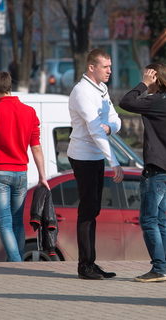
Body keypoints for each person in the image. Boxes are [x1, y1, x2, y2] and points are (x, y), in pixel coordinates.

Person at [0, 71, 49, 262]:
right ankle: (16, 262)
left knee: (5, 223)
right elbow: (36, 147)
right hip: (21, 172)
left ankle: (16, 263)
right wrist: (42, 176)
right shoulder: (29, 112)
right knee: (17, 221)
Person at [119, 63, 166, 283]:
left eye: (148, 76)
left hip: (156, 169)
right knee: (160, 220)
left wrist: (143, 84)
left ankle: (159, 268)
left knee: (148, 220)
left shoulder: (157, 101)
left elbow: (126, 101)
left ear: (156, 78)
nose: (145, 79)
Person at [67, 48, 124, 280]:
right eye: (105, 67)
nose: (110, 71)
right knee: (88, 211)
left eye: (110, 66)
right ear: (92, 67)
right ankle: (85, 266)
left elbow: (115, 120)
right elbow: (94, 130)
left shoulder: (101, 89)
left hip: (95, 156)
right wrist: (115, 161)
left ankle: (91, 261)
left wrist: (110, 127)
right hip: (83, 156)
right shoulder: (82, 92)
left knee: (94, 210)